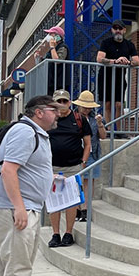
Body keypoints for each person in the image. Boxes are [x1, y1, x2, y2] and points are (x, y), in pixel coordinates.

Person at [0, 95, 60, 276]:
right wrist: (19, 207)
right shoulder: (26, 132)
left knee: (10, 259)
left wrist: (51, 179)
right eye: (53, 109)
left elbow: (30, 168)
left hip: (19, 205)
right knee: (19, 261)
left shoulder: (33, 133)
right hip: (15, 208)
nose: (58, 113)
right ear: (39, 112)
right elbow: (9, 170)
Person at [47, 89, 92, 248]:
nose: (61, 105)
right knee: (54, 202)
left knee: (72, 202)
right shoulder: (49, 119)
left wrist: (83, 162)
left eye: (64, 101)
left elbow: (87, 144)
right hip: (52, 167)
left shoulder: (79, 119)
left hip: (73, 166)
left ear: (70, 102)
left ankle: (68, 233)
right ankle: (55, 234)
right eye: (58, 101)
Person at [96, 20, 139, 126]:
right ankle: (109, 129)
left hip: (120, 78)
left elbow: (137, 61)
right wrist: (115, 61)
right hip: (105, 77)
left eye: (120, 29)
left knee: (119, 105)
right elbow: (99, 58)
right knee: (107, 104)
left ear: (124, 30)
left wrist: (127, 62)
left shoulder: (129, 44)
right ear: (112, 30)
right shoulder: (106, 42)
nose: (118, 31)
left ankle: (119, 130)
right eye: (115, 28)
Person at [72, 90, 106, 223]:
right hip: (76, 152)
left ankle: (85, 208)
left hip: (92, 152)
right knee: (76, 182)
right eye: (84, 106)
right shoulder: (73, 117)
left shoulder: (95, 118)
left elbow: (103, 136)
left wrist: (100, 124)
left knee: (88, 181)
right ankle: (77, 208)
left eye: (89, 107)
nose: (86, 109)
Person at [37, 24, 70, 95]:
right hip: (51, 82)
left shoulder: (62, 47)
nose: (49, 37)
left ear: (58, 36)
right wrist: (39, 58)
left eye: (51, 34)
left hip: (59, 82)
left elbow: (57, 60)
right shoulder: (52, 50)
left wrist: (52, 47)